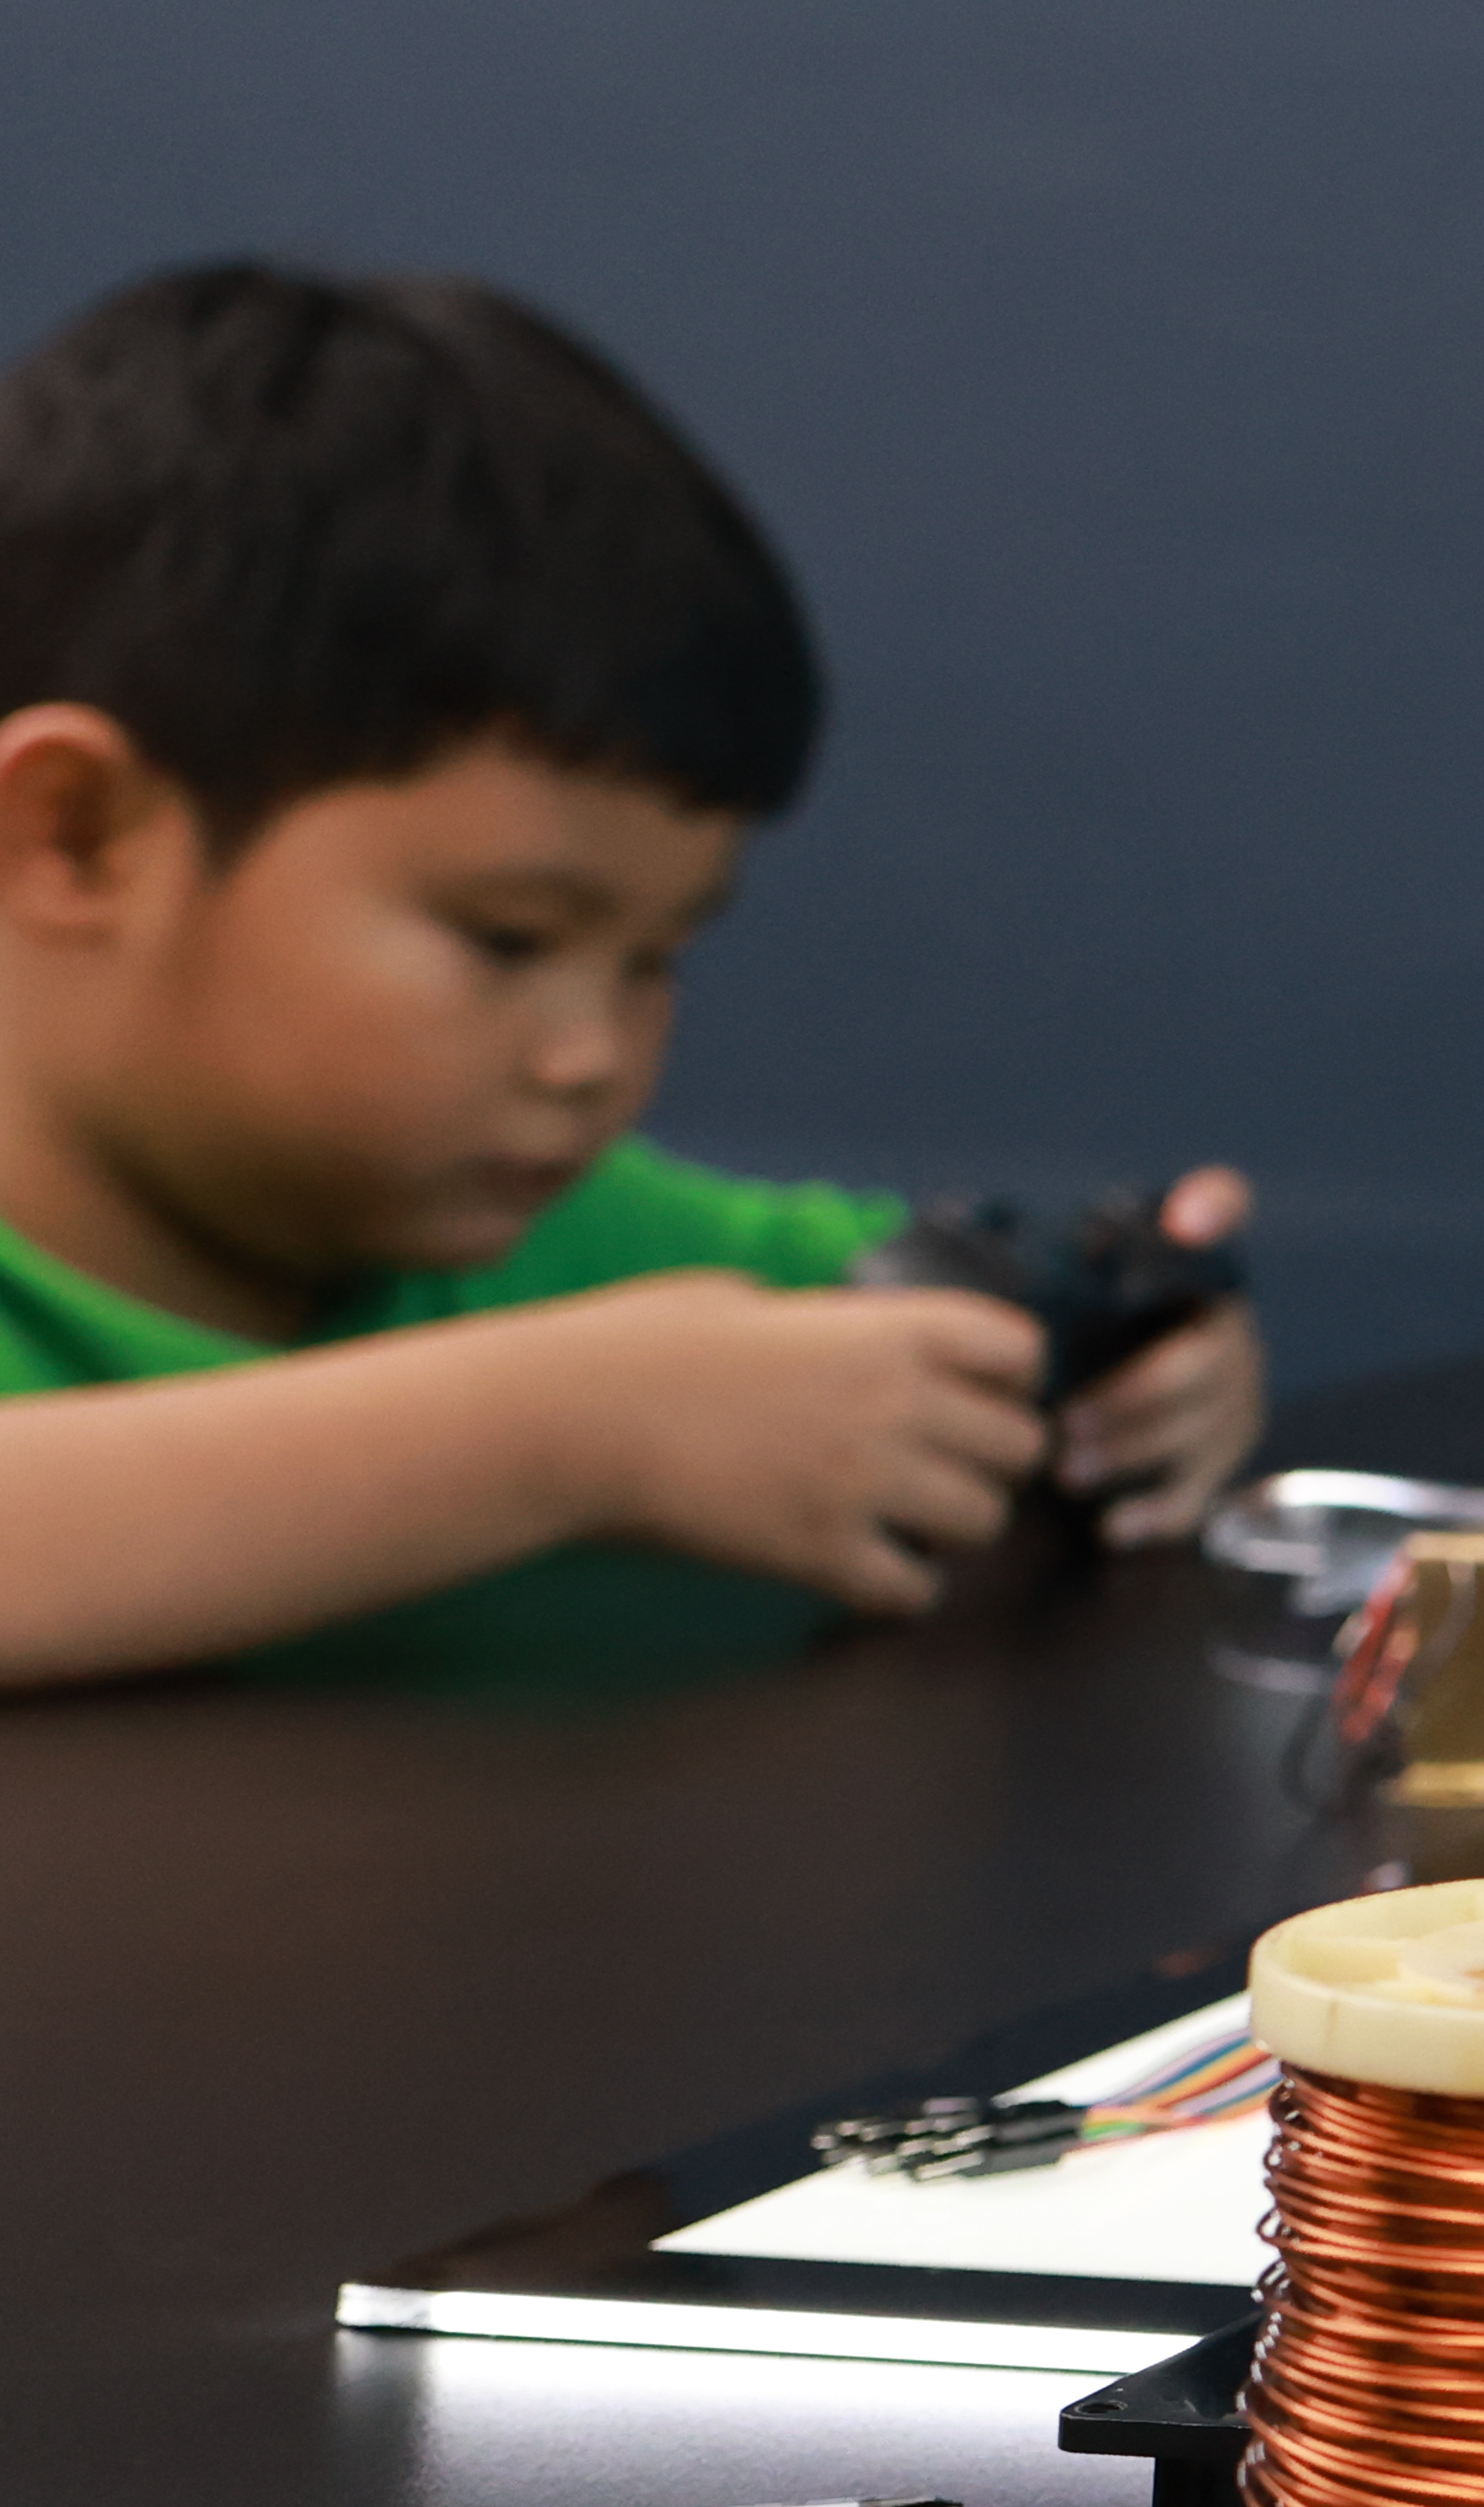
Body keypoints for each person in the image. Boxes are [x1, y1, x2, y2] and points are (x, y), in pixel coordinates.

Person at [0, 265, 1271, 1690]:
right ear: (76, 837)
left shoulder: (559, 1238)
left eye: (657, 959)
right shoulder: (591, 1359)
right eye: (508, 940)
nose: (588, 1058)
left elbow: (895, 1330)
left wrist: (1134, 1377)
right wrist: (566, 1434)